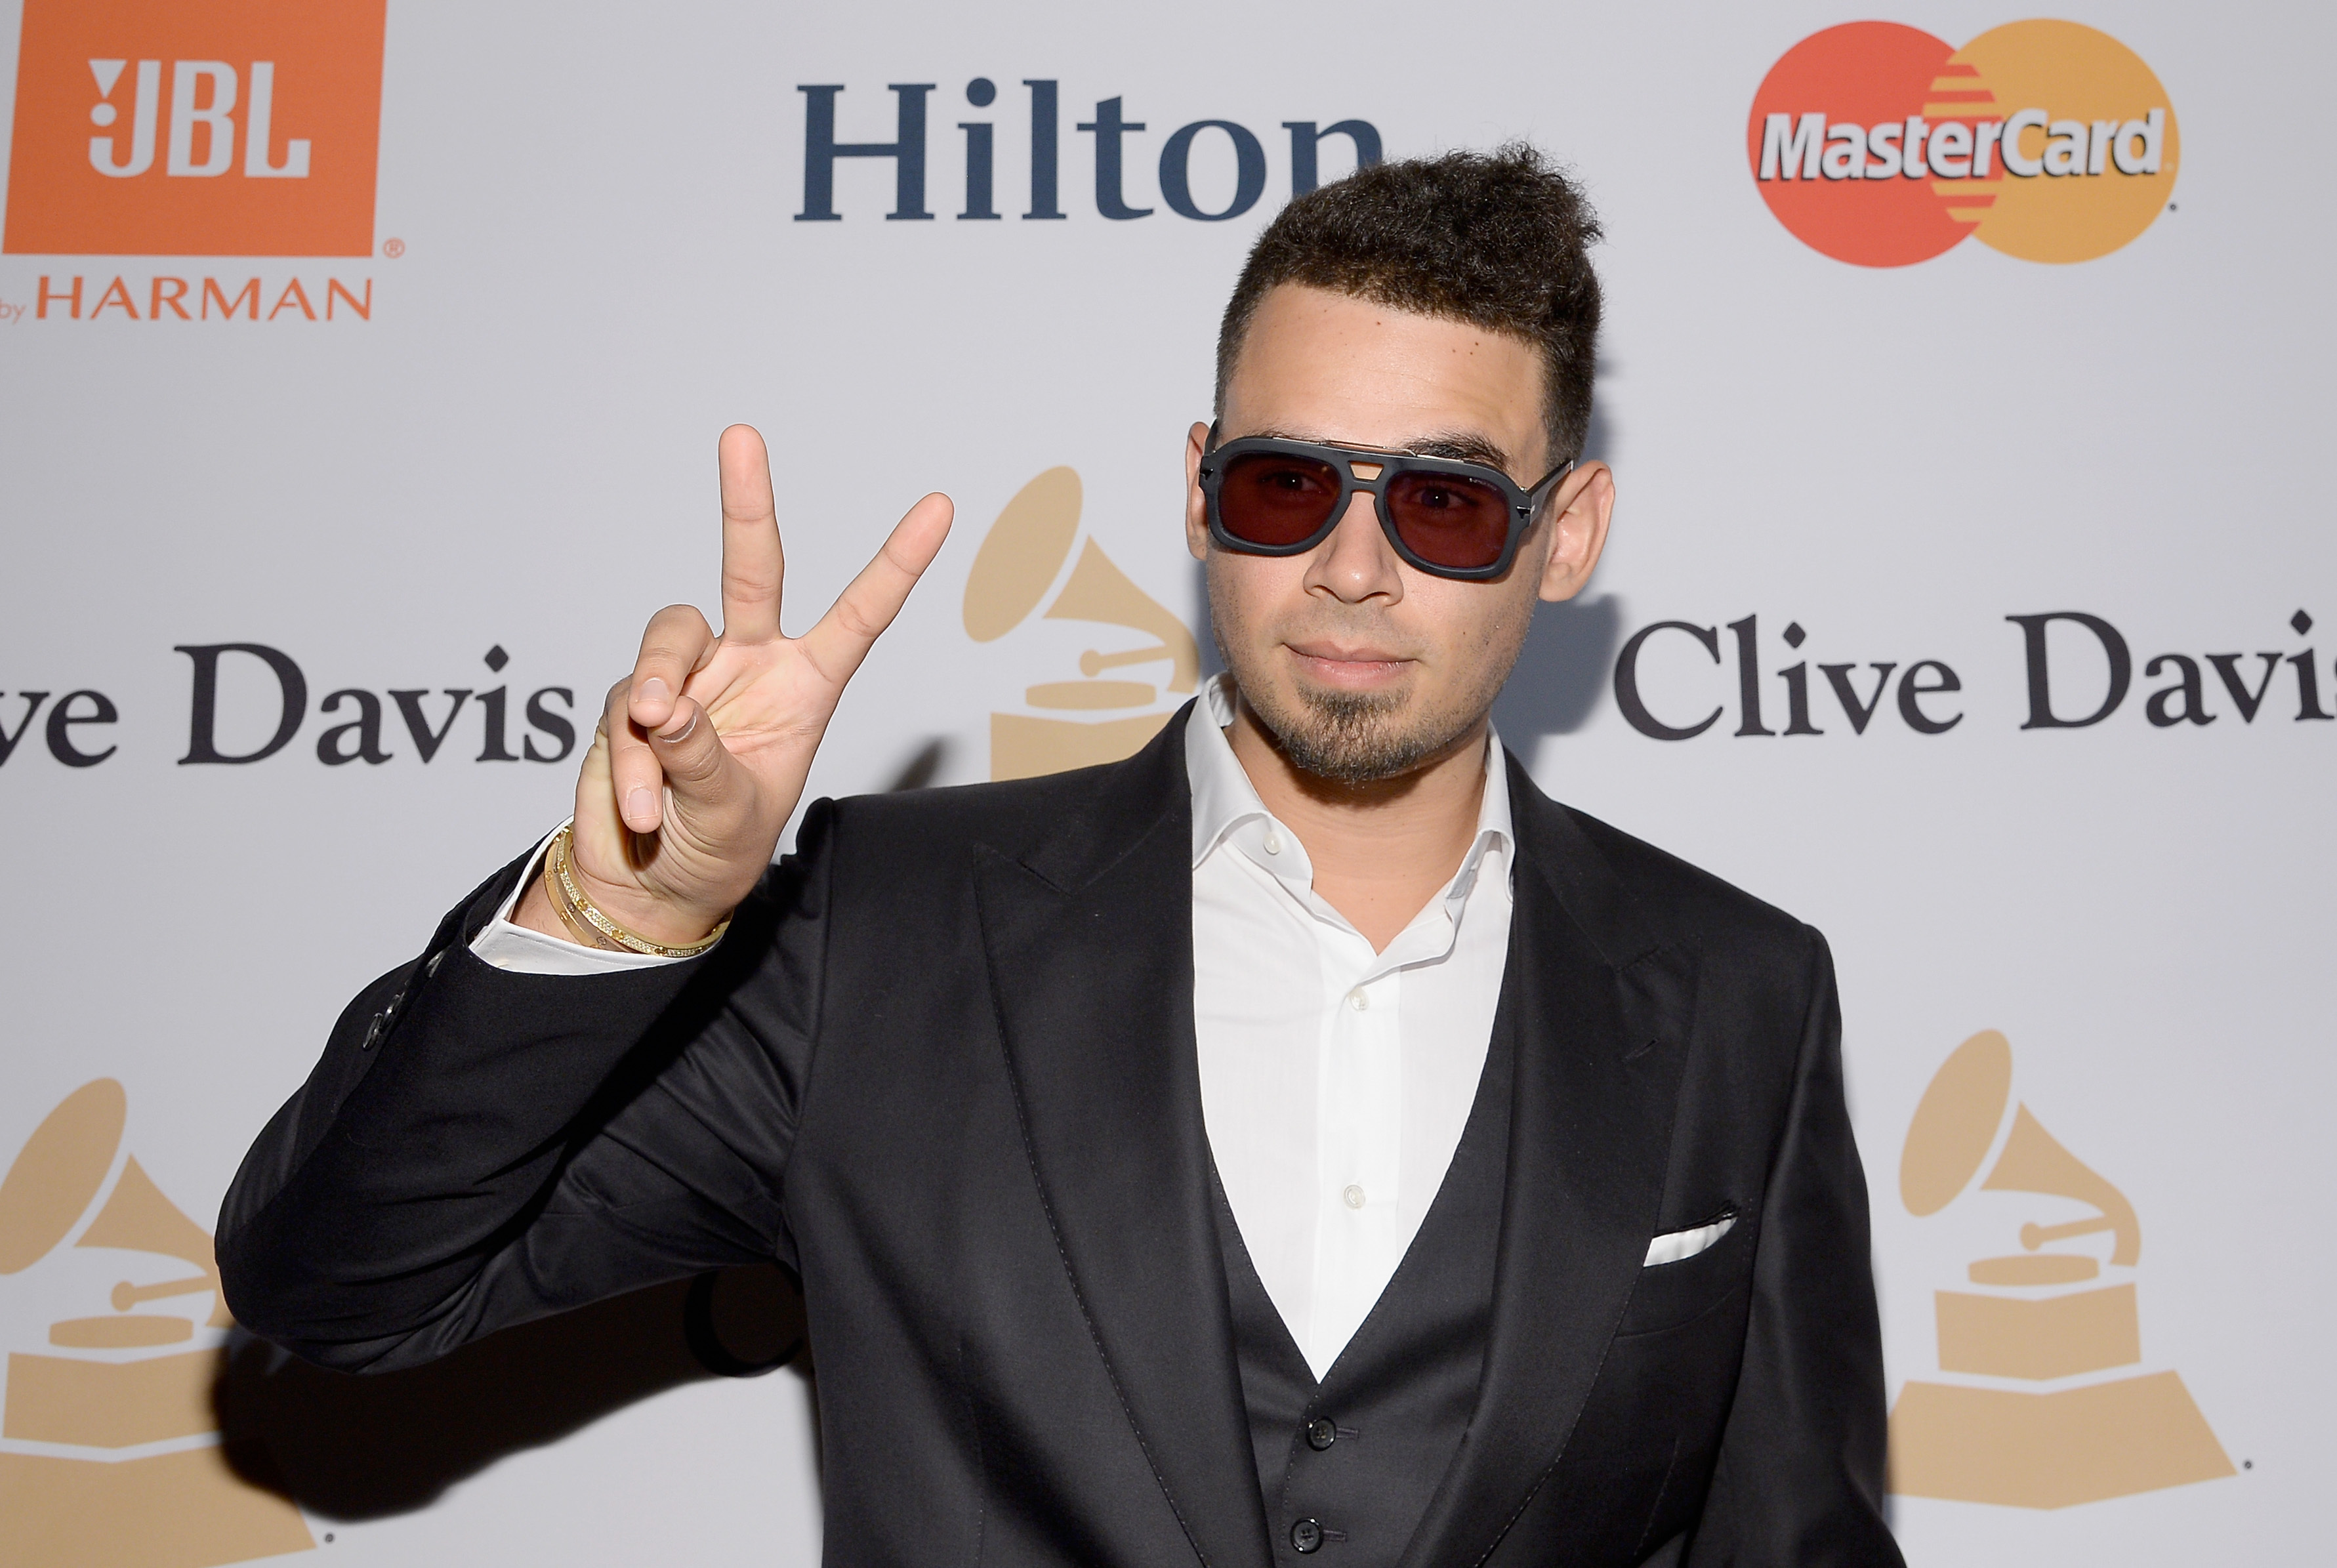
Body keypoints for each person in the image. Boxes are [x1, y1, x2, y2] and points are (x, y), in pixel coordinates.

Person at [219, 145, 1901, 1568]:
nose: (1350, 568)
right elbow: (343, 1287)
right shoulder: (886, 932)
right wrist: (628, 907)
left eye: (1442, 503)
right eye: (1284, 485)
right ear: (1199, 489)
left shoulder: (1734, 991)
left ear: (1566, 532)